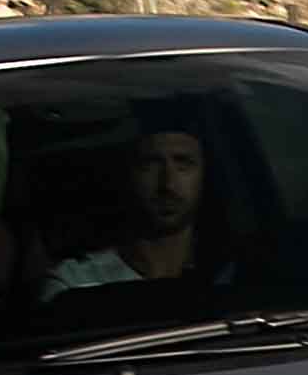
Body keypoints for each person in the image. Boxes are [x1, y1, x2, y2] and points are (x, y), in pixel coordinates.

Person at [38, 103, 222, 295]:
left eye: (183, 164)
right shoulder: (77, 284)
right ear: (127, 174)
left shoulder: (233, 273)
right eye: (150, 164)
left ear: (204, 174)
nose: (168, 184)